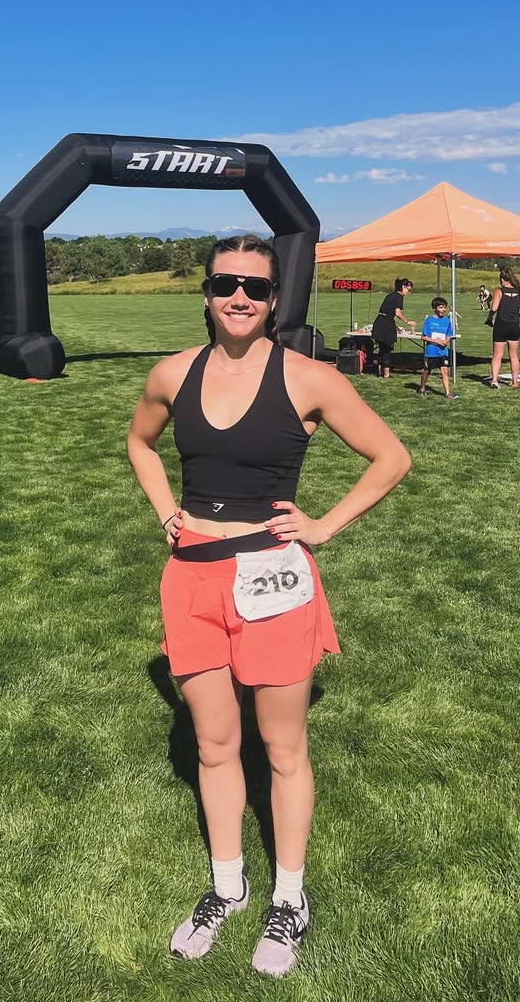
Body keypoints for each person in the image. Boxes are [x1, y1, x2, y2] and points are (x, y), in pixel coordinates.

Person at [126, 234, 411, 976]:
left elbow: (392, 457)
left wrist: (324, 526)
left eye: (255, 286)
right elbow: (141, 444)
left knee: (283, 748)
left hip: (273, 578)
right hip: (192, 578)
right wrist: (166, 514)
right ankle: (228, 885)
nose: (239, 297)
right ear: (206, 292)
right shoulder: (172, 373)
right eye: (226, 283)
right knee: (214, 745)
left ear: (276, 298)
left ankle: (290, 897)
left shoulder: (310, 378)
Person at [488, 266, 520, 388]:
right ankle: (515, 382)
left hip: (501, 324)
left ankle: (494, 380)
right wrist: (518, 315)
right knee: (514, 355)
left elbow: (494, 308)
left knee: (497, 355)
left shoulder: (499, 292)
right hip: (514, 325)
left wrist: (489, 318)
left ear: (502, 280)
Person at [369, 278, 415, 380]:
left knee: (381, 349)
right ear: (403, 287)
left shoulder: (391, 295)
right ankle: (386, 374)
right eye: (408, 289)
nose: (408, 292)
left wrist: (395, 327)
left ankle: (380, 372)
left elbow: (386, 313)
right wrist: (407, 322)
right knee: (387, 349)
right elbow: (397, 313)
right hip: (386, 325)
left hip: (379, 322)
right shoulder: (399, 297)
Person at [419, 297, 457, 399]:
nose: (443, 310)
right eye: (440, 307)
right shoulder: (429, 321)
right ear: (434, 309)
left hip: (443, 352)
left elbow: (449, 334)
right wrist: (437, 341)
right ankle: (422, 387)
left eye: (444, 307)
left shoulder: (447, 321)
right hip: (431, 351)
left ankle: (448, 393)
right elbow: (424, 337)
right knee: (427, 371)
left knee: (445, 372)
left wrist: (446, 341)